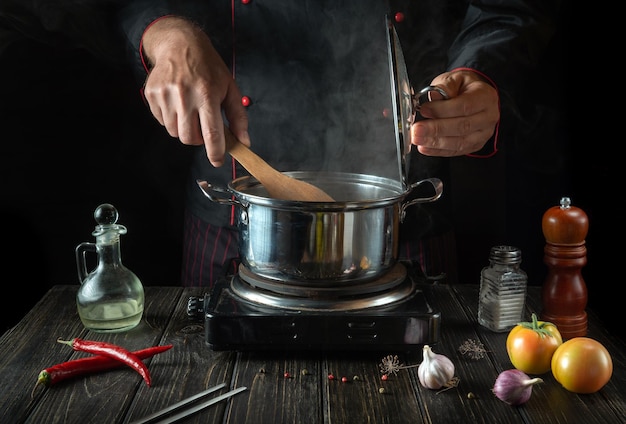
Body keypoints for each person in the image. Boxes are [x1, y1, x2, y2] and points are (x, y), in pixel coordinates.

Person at [114, 0, 560, 288]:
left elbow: (509, 8)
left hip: (403, 218)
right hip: (236, 224)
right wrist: (167, 33)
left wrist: (481, 71)